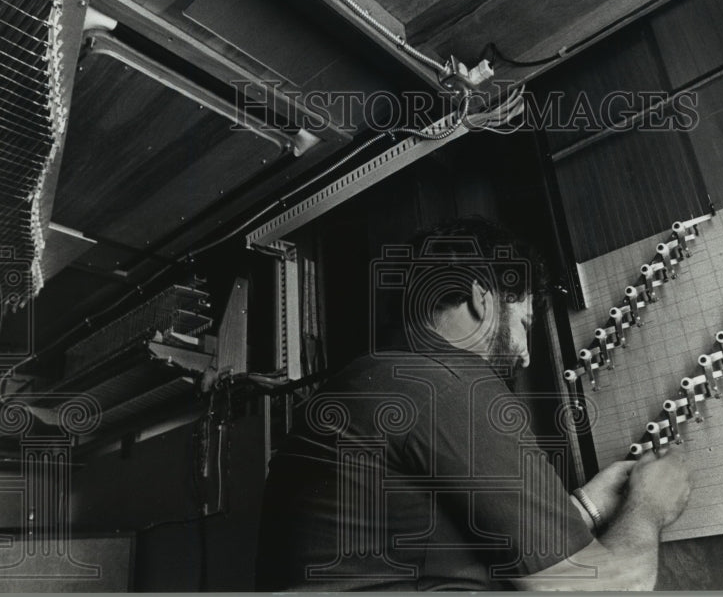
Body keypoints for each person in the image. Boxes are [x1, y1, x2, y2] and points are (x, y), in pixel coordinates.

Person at [255, 217, 690, 590]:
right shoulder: (450, 384)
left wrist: (586, 508)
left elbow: (434, 553)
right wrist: (649, 505)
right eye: (525, 324)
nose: (526, 355)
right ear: (482, 298)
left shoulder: (372, 381)